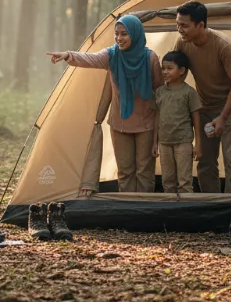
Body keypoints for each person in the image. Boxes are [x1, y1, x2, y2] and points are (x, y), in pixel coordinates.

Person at [47, 14, 163, 192]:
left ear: (135, 34)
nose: (119, 38)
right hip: (119, 124)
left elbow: (160, 92)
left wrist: (160, 131)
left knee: (144, 172)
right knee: (125, 171)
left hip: (146, 124)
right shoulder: (112, 55)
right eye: (116, 33)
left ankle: (143, 207)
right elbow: (90, 58)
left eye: (124, 34)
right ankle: (126, 206)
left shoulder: (150, 58)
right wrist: (68, 55)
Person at [175, 1, 231, 193]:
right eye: (177, 24)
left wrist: (223, 117)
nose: (180, 30)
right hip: (205, 106)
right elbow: (176, 74)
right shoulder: (182, 43)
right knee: (205, 161)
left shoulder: (224, 46)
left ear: (200, 25)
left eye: (184, 25)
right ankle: (210, 205)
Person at [153, 50, 202, 194]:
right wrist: (154, 142)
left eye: (170, 68)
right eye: (163, 68)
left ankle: (186, 206)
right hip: (164, 143)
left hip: (183, 142)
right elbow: (157, 117)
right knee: (167, 180)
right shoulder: (160, 92)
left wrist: (198, 144)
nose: (165, 72)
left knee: (184, 181)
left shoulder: (189, 92)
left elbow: (196, 119)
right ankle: (170, 206)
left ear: (181, 70)